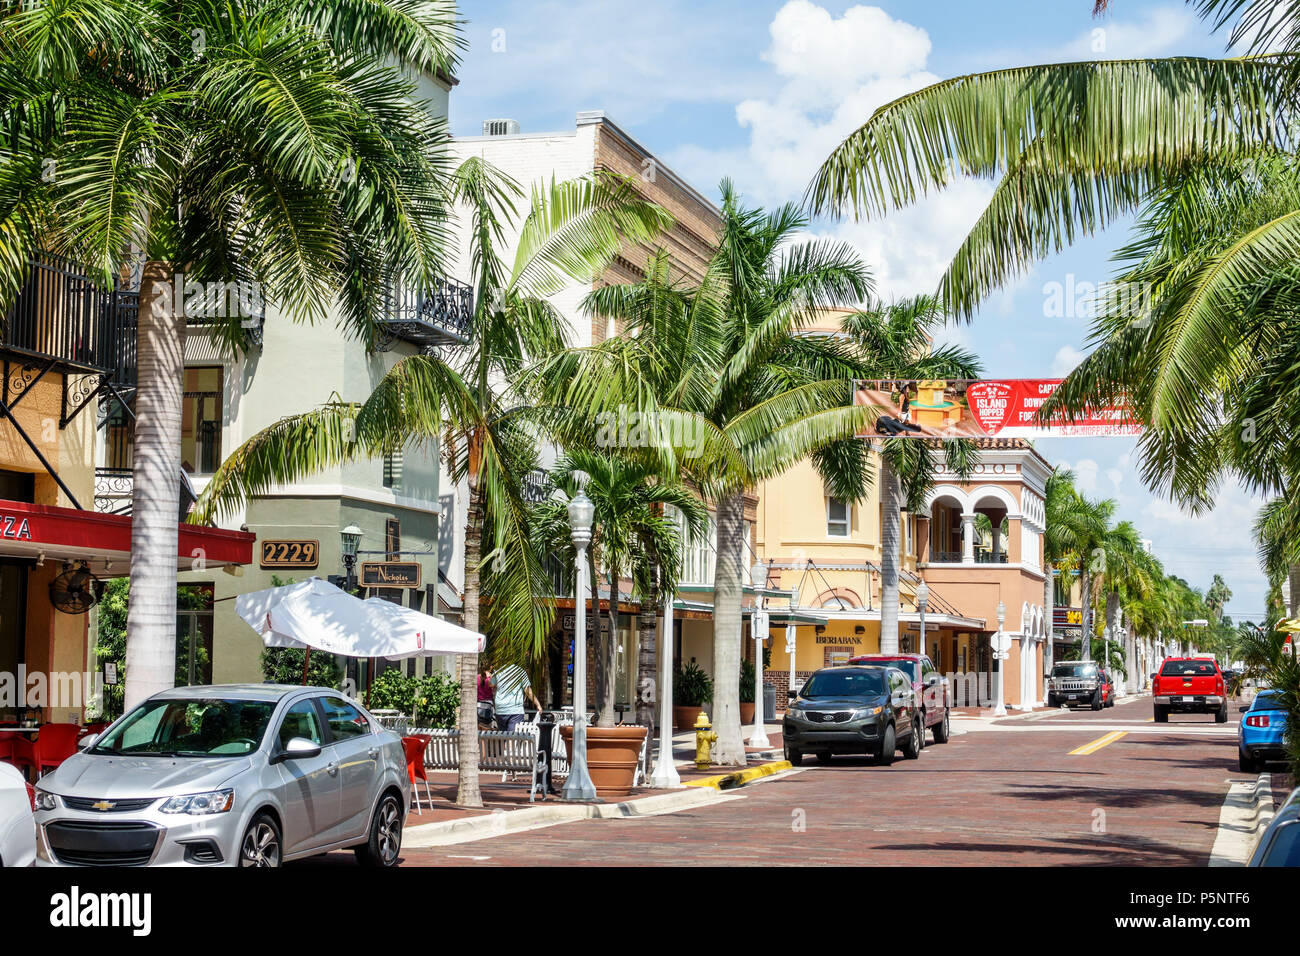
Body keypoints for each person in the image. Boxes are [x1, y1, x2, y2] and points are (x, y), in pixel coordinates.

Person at [491, 661, 542, 732]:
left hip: (500, 709)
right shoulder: (520, 672)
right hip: (515, 710)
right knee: (513, 738)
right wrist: (538, 704)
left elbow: (490, 685)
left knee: (503, 737)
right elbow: (528, 692)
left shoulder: (498, 671)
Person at [476, 665, 495, 730]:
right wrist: (492, 677)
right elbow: (493, 686)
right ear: (490, 667)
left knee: (478, 728)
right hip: (488, 705)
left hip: (478, 705)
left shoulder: (477, 677)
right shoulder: (490, 678)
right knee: (486, 728)